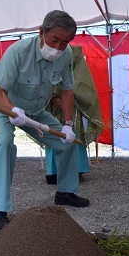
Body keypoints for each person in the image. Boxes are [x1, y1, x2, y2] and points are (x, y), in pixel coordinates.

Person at [0, 10, 89, 232]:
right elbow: (0, 93)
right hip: (6, 108)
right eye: (55, 40)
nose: (58, 48)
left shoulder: (66, 56)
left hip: (36, 111)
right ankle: (0, 210)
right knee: (4, 144)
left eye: (65, 43)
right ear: (41, 32)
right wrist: (13, 111)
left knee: (67, 142)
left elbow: (67, 91)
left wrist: (68, 125)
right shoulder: (17, 52)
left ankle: (65, 192)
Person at [44, 45, 103, 184]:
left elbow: (82, 83)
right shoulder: (49, 58)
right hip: (52, 106)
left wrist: (66, 97)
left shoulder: (76, 58)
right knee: (53, 134)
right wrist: (53, 96)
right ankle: (54, 171)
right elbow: (44, 80)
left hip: (73, 106)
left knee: (72, 134)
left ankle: (77, 170)